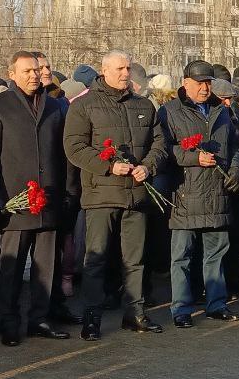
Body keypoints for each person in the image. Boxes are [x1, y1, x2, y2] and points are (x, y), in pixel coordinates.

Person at [63, 51, 168, 339]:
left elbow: (159, 143)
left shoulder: (143, 104)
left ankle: (135, 313)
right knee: (96, 259)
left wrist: (148, 167)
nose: (125, 73)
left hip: (136, 195)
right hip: (101, 196)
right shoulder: (84, 106)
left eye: (128, 68)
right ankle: (92, 318)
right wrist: (109, 167)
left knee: (135, 259)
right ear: (104, 70)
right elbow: (74, 147)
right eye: (120, 68)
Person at [0, 51, 71, 345]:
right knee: (12, 267)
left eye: (38, 70)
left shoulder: (55, 106)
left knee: (46, 266)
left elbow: (64, 154)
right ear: (13, 73)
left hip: (50, 200)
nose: (34, 75)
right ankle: (9, 321)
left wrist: (68, 192)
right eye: (27, 71)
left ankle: (39, 319)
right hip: (15, 202)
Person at [158, 60, 239, 328]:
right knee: (182, 256)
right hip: (186, 192)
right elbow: (163, 150)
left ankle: (216, 304)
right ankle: (181, 308)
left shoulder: (222, 111)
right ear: (186, 83)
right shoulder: (169, 112)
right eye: (200, 83)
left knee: (216, 253)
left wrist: (236, 169)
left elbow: (235, 146)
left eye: (208, 83)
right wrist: (193, 157)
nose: (205, 88)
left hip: (217, 191)